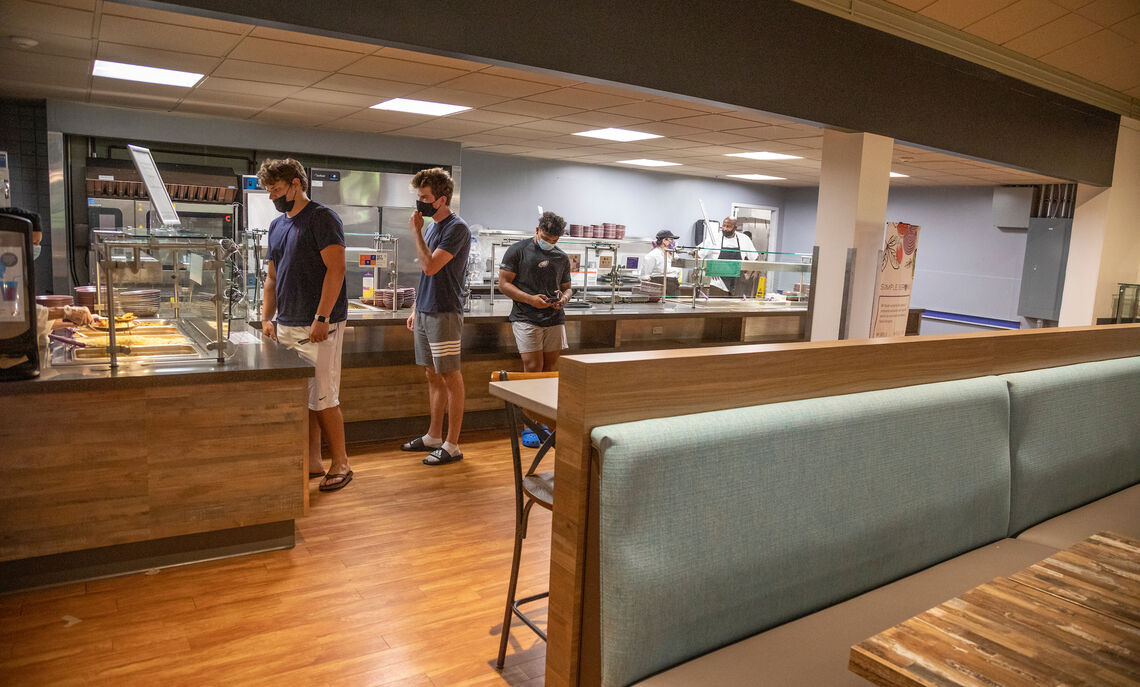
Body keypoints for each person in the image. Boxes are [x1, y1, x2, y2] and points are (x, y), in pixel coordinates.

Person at [258, 158, 353, 493]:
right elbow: (272, 278)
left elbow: (336, 270)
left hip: (319, 324)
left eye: (278, 189)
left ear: (296, 184)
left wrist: (322, 317)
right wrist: (267, 318)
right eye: (269, 191)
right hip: (286, 323)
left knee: (324, 397)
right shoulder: (276, 226)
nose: (273, 196)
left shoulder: (322, 218)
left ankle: (341, 463)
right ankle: (313, 460)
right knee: (303, 398)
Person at [400, 167, 471, 466]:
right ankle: (433, 435)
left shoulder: (457, 228)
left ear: (442, 199)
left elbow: (431, 266)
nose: (421, 203)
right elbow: (424, 274)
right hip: (426, 309)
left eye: (426, 197)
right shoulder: (431, 227)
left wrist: (415, 231)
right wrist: (416, 307)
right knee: (432, 374)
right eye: (419, 197)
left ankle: (452, 444)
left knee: (450, 375)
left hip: (444, 312)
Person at [499, 211, 572, 373]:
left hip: (554, 319)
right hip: (526, 317)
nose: (549, 242)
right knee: (533, 367)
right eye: (546, 239)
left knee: (550, 369)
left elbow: (567, 288)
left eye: (554, 240)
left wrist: (564, 298)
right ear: (537, 229)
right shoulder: (518, 250)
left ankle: (546, 399)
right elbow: (503, 284)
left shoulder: (562, 257)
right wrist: (530, 299)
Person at [697, 216, 759, 296]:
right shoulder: (714, 238)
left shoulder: (744, 239)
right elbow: (697, 255)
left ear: (735, 228)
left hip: (738, 285)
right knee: (716, 307)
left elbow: (755, 258)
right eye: (724, 226)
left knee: (734, 308)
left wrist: (748, 274)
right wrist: (709, 269)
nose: (725, 229)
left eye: (728, 226)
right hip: (717, 284)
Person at [639, 229, 682, 295]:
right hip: (659, 286)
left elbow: (678, 270)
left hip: (674, 286)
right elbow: (645, 276)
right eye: (671, 240)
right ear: (664, 240)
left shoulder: (674, 254)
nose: (673, 242)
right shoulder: (653, 255)